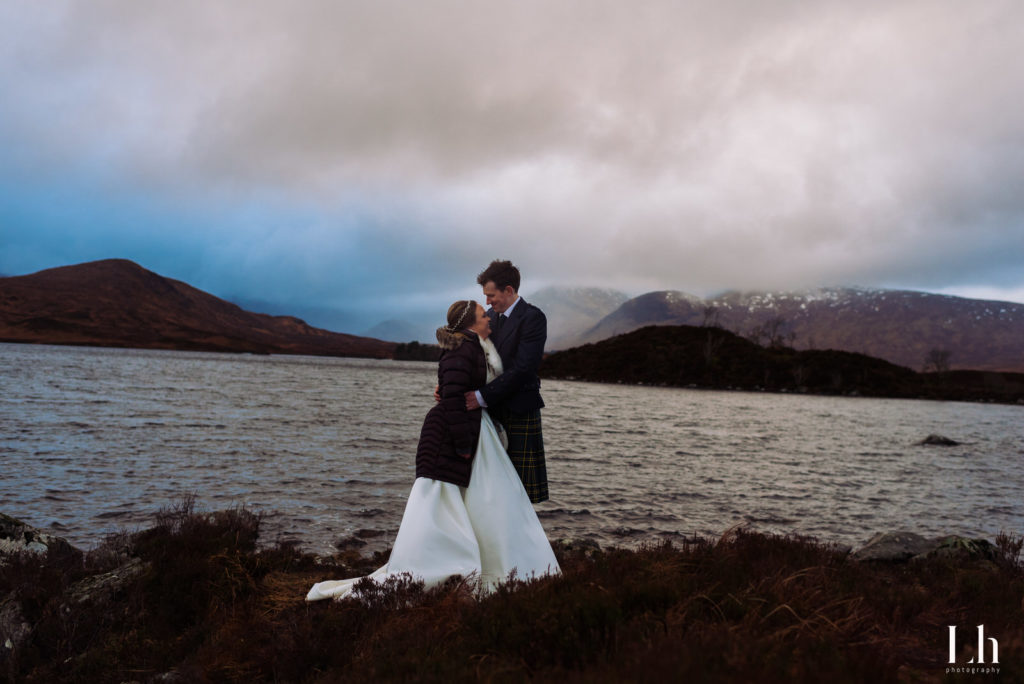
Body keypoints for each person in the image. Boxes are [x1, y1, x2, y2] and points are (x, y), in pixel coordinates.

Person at [306, 300, 560, 601]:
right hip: (456, 433)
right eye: (483, 315)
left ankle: (489, 566)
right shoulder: (463, 349)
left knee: (485, 501)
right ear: (469, 322)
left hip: (473, 430)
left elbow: (458, 388)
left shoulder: (473, 346)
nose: (489, 318)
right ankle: (452, 567)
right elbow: (453, 398)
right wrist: (463, 443)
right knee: (442, 503)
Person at [465, 260, 549, 503]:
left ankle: (522, 538)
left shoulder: (533, 318)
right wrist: (451, 386)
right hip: (492, 412)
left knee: (519, 490)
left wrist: (480, 397)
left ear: (509, 290)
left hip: (519, 410)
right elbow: (473, 358)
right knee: (490, 485)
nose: (488, 302)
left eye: (491, 295)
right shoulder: (488, 317)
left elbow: (524, 368)